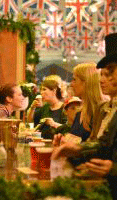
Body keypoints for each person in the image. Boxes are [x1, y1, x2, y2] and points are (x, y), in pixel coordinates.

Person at [52, 33, 117, 200]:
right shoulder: (110, 108)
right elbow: (103, 144)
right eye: (104, 73)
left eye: (110, 72)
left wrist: (113, 169)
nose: (104, 79)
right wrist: (77, 149)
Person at [70, 63, 104, 141]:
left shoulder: (100, 112)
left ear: (86, 82)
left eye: (74, 80)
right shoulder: (80, 112)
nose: (71, 84)